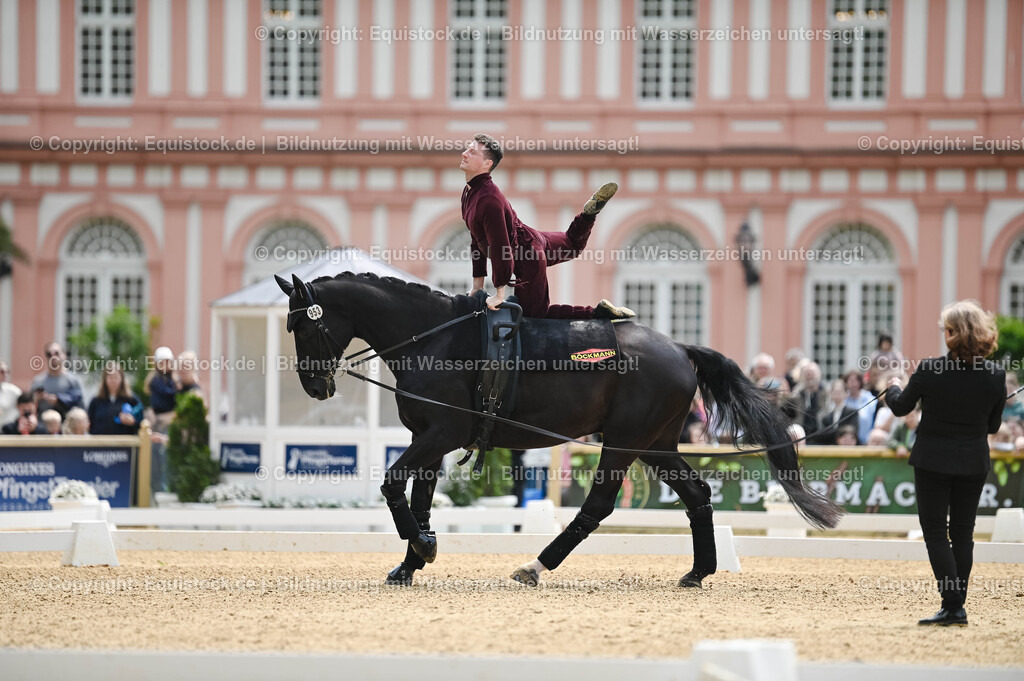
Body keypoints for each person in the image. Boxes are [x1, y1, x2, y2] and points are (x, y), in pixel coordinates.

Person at [885, 300, 1006, 626]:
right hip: (973, 462)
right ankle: (956, 605)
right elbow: (992, 427)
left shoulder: (929, 369)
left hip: (933, 461)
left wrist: (892, 387)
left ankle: (952, 605)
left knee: (937, 533)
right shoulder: (996, 375)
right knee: (963, 533)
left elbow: (899, 408)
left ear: (952, 334)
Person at [460, 133, 633, 319]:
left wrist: (499, 294)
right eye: (467, 149)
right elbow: (476, 240)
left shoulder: (488, 199)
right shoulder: (469, 193)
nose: (464, 154)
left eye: (472, 152)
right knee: (572, 244)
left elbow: (500, 247)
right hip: (532, 239)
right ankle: (587, 216)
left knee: (535, 316)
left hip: (527, 257)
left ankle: (597, 313)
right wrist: (477, 286)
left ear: (487, 164)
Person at [29, 342, 84, 418]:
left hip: (66, 426)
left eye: (56, 353)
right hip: (43, 426)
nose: (53, 357)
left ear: (64, 355)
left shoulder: (73, 380)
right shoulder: (38, 381)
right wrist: (36, 398)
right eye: (49, 354)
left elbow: (80, 407)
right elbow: (28, 405)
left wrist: (59, 400)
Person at [88, 363, 142, 435]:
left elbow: (142, 423)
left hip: (124, 443)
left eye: (116, 377)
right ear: (105, 379)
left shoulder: (132, 400)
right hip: (100, 443)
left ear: (122, 379)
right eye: (110, 377)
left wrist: (133, 422)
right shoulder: (96, 401)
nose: (113, 380)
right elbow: (89, 424)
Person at [816, 379, 861, 445]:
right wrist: (842, 431)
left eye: (840, 392)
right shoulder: (825, 416)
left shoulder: (852, 413)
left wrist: (832, 433)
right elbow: (822, 435)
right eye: (835, 392)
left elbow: (853, 432)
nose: (837, 394)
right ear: (830, 394)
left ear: (846, 394)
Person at [791, 362, 828, 440]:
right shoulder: (797, 395)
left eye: (811, 374)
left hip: (821, 436)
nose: (809, 376)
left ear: (818, 375)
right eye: (806, 374)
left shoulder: (826, 394)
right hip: (801, 437)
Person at [843, 370, 876, 445]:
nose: (853, 384)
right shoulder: (843, 400)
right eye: (851, 381)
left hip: (867, 441)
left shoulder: (870, 399)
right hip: (849, 443)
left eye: (856, 380)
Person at [0, 360, 21, 425]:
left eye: (7, 372)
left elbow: (25, 406)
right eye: (2, 372)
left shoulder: (14, 391)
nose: (5, 374)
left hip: (8, 432)